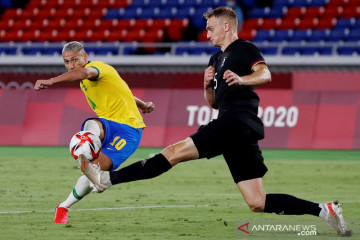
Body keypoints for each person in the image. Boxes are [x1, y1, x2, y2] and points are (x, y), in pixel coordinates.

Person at [79, 7, 351, 236]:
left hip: (235, 123)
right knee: (257, 202)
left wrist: (243, 79)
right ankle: (324, 210)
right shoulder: (216, 59)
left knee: (172, 153)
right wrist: (207, 85)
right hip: (237, 128)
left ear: (226, 26)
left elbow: (265, 74)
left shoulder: (244, 49)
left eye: (210, 28)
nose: (206, 33)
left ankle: (106, 179)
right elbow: (214, 103)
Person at [34, 41, 155, 224]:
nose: (71, 65)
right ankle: (84, 154)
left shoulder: (96, 68)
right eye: (66, 62)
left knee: (95, 172)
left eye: (74, 60)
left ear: (85, 57)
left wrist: (51, 81)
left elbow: (84, 72)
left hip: (129, 130)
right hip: (107, 124)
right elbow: (123, 90)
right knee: (92, 124)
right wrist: (143, 104)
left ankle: (64, 205)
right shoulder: (84, 81)